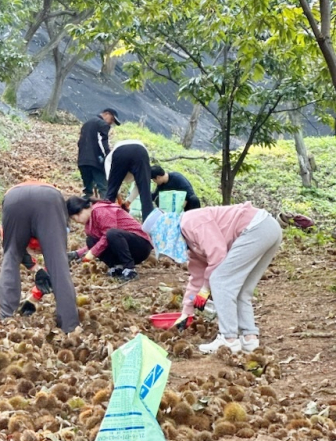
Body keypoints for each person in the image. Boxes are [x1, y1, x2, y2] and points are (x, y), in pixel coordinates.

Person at [143, 203, 282, 354]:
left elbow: (218, 255)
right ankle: (250, 339)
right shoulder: (191, 245)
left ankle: (228, 339)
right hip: (267, 229)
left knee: (220, 281)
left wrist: (205, 290)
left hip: (257, 228)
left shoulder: (190, 222)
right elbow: (197, 278)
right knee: (242, 289)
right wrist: (187, 312)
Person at [0, 183, 80, 332]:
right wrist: (37, 268)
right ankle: (70, 325)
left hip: (13, 198)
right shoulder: (54, 225)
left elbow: (14, 250)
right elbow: (56, 259)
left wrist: (38, 273)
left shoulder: (9, 231)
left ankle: (6, 318)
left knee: (11, 257)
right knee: (58, 264)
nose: (36, 253)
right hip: (49, 199)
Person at [67, 197, 153, 281]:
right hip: (125, 246)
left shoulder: (100, 211)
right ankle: (117, 266)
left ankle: (130, 269)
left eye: (77, 216)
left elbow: (108, 236)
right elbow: (99, 243)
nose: (77, 220)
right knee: (91, 240)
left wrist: (93, 252)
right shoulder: (89, 222)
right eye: (74, 219)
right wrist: (78, 253)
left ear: (84, 209)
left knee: (111, 233)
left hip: (141, 245)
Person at [105, 139, 154, 220]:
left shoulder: (109, 161)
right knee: (146, 194)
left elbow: (112, 185)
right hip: (140, 151)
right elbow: (140, 187)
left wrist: (126, 202)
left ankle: (106, 219)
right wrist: (123, 201)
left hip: (122, 151)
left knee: (110, 194)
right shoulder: (108, 161)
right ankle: (149, 227)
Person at [77, 109, 121, 199]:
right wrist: (109, 156)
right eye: (112, 119)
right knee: (103, 187)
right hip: (96, 161)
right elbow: (102, 142)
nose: (111, 123)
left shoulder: (87, 123)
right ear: (106, 114)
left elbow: (79, 142)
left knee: (87, 190)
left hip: (82, 161)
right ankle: (105, 209)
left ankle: (84, 208)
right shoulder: (102, 124)